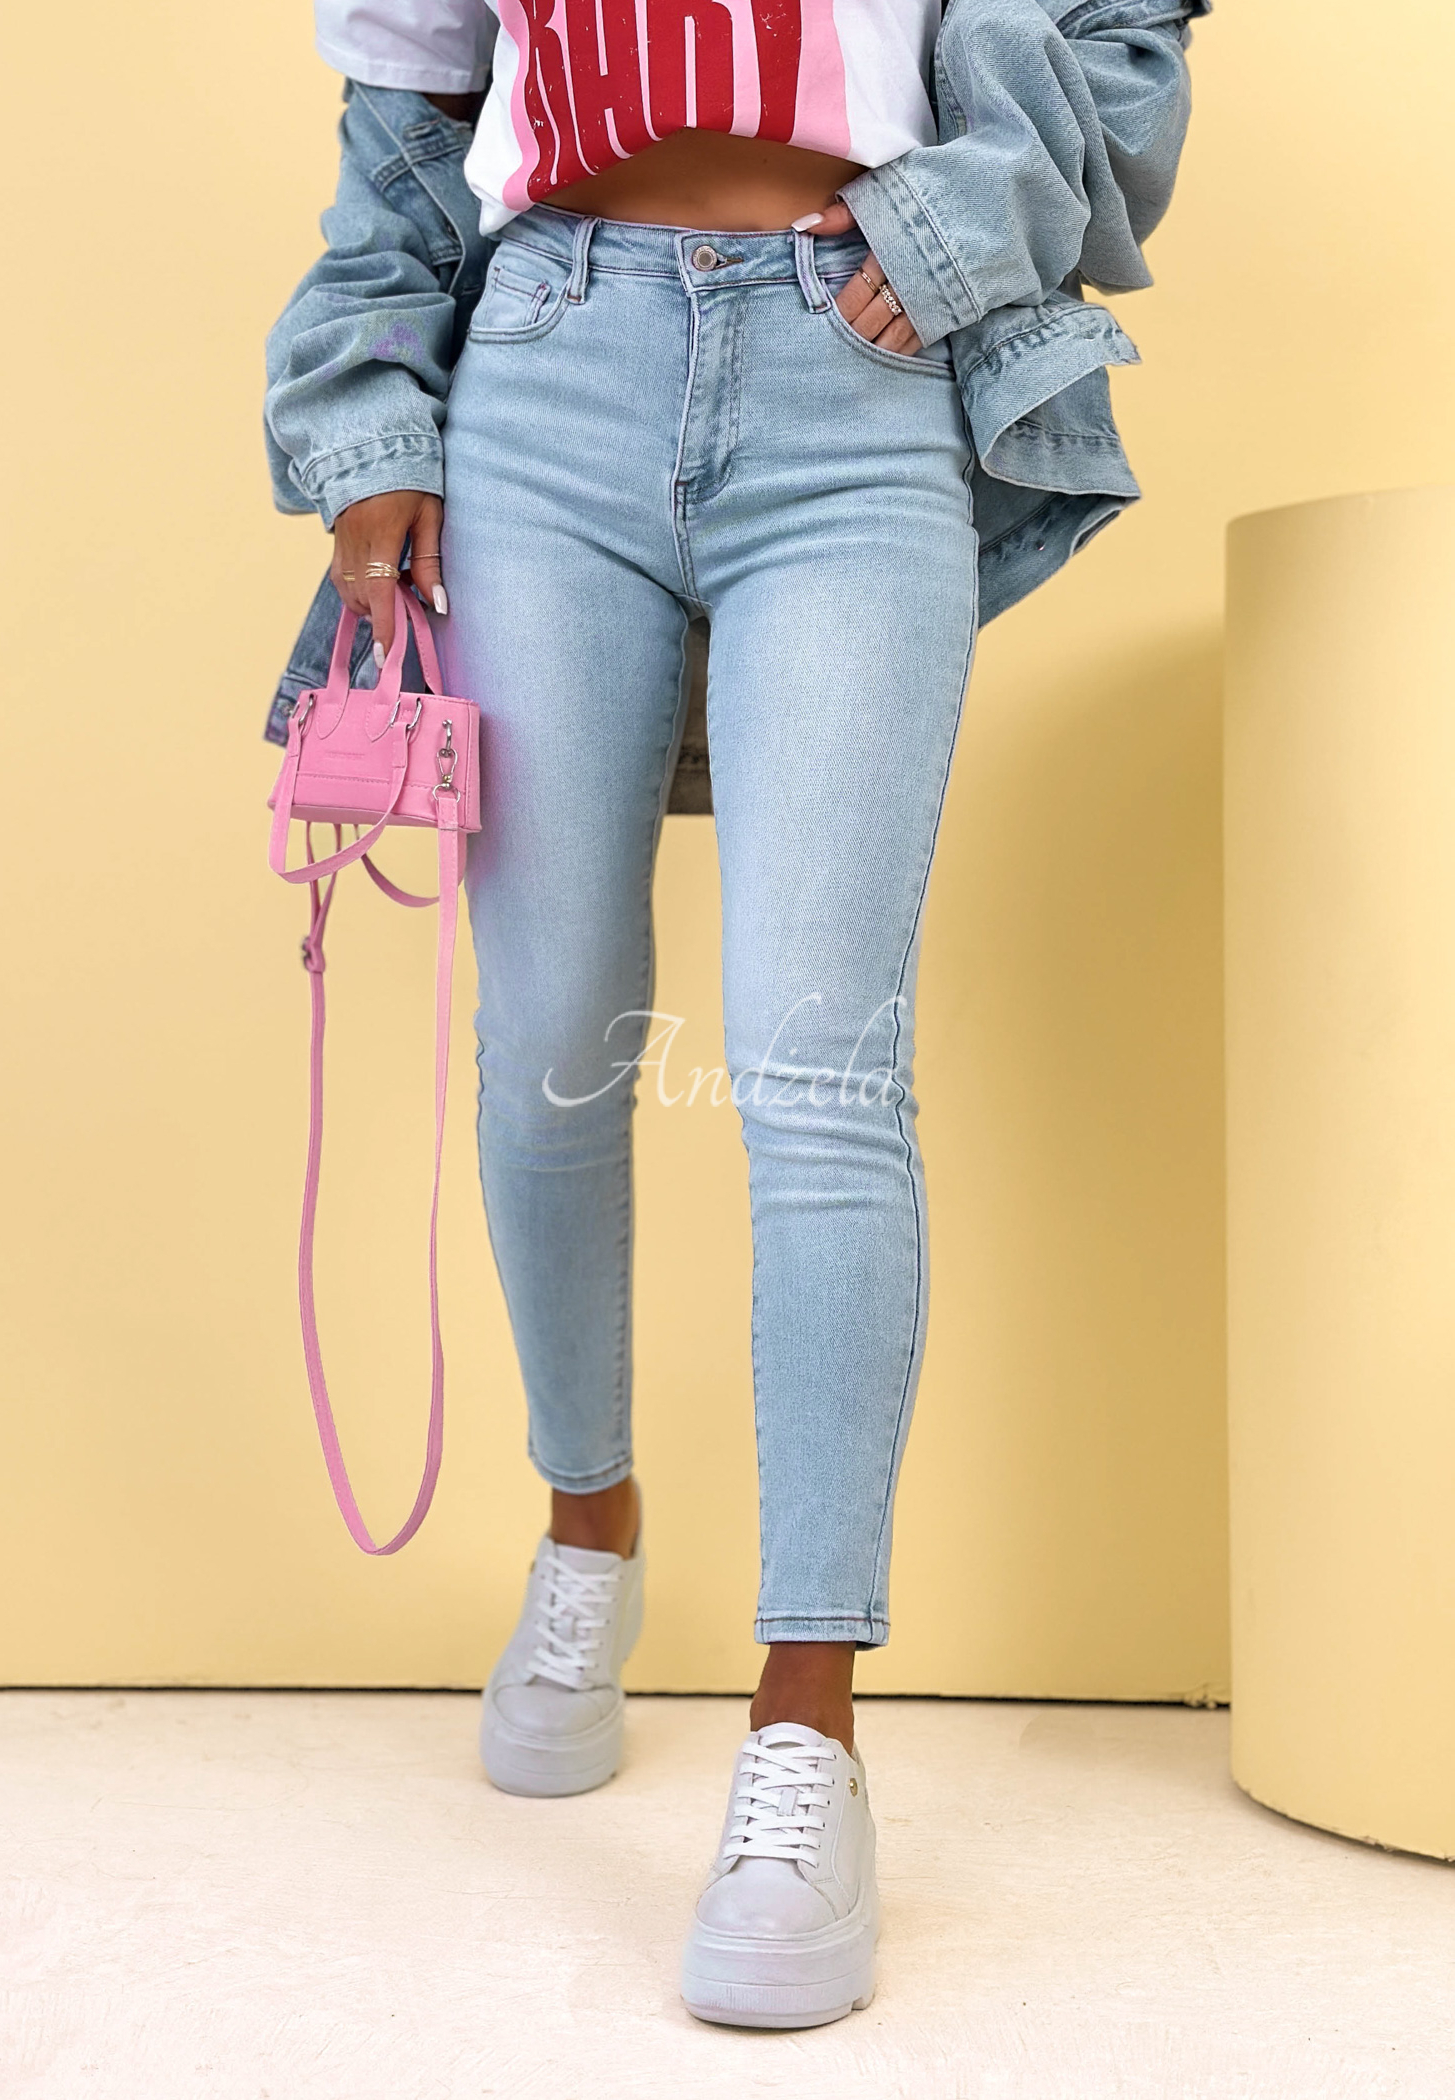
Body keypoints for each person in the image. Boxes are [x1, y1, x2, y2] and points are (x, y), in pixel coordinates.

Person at [265, 0, 1206, 2030]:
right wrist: (370, 429)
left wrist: (944, 236)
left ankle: (806, 1730)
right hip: (546, 369)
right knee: (551, 1046)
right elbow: (404, 127)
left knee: (821, 1070)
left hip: (858, 376)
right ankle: (588, 1527)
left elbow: (1119, 37)